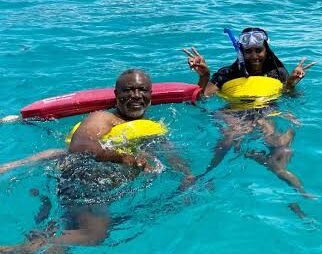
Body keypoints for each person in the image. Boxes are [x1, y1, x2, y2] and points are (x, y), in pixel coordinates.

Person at [0, 69, 194, 251]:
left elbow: (170, 152)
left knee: (65, 241)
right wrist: (124, 157)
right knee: (93, 235)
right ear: (116, 94)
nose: (136, 95)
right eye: (129, 90)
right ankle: (21, 250)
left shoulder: (149, 127)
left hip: (102, 186)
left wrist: (187, 176)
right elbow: (81, 145)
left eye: (142, 90)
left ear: (151, 95)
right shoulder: (102, 118)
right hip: (86, 178)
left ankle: (25, 249)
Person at [183, 27, 316, 198]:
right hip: (233, 112)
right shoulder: (227, 74)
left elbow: (289, 98)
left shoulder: (278, 73)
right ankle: (204, 176)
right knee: (231, 137)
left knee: (280, 147)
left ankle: (269, 168)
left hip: (264, 112)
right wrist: (204, 76)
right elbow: (200, 99)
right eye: (248, 51)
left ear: (266, 50)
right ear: (241, 52)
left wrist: (290, 84)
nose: (254, 56)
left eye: (258, 50)